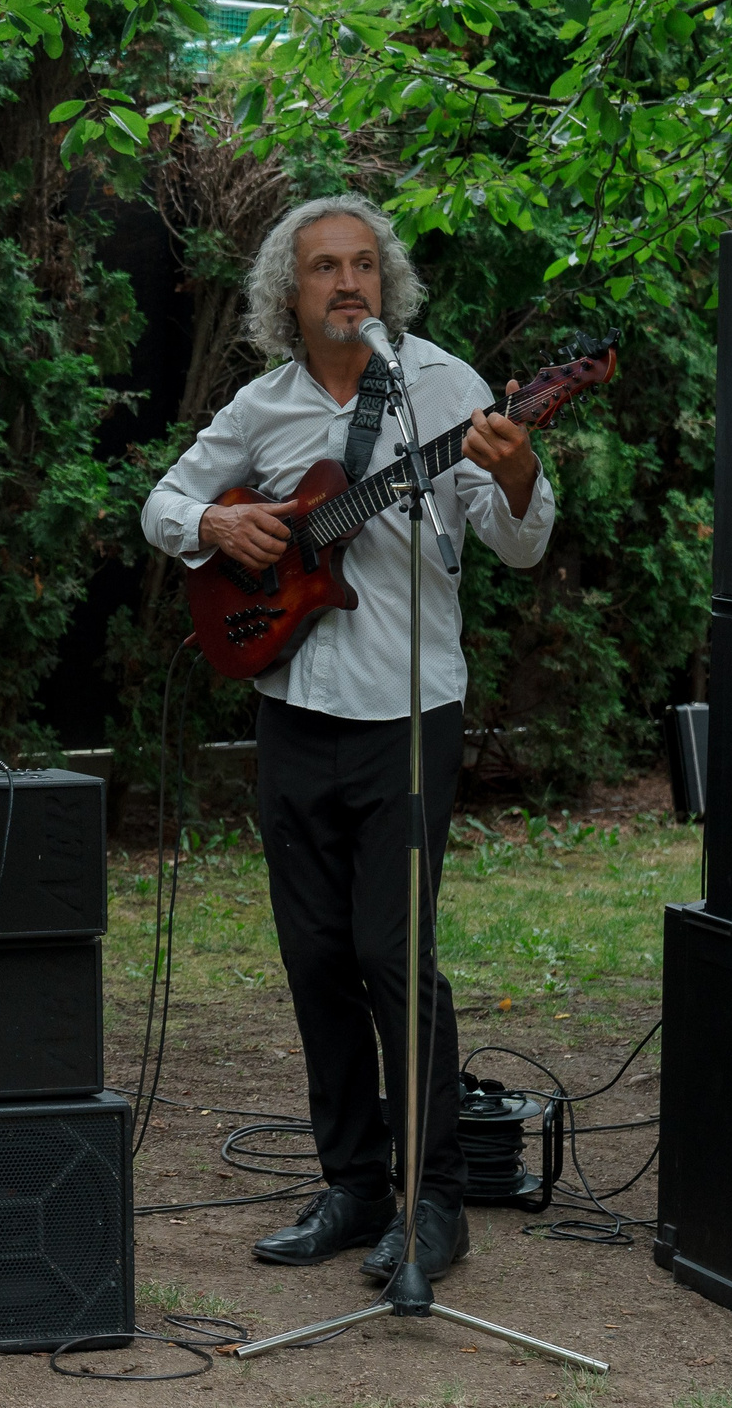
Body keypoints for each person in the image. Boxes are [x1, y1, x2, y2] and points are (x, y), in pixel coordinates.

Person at [140, 193, 555, 1285]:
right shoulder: (262, 408)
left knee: (391, 956)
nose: (348, 283)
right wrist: (216, 523)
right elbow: (162, 505)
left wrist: (514, 476)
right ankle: (351, 1183)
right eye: (324, 267)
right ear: (291, 293)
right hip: (294, 710)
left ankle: (437, 1201)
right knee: (315, 957)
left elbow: (516, 544)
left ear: (389, 282)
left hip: (409, 712)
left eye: (363, 265)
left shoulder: (447, 386)